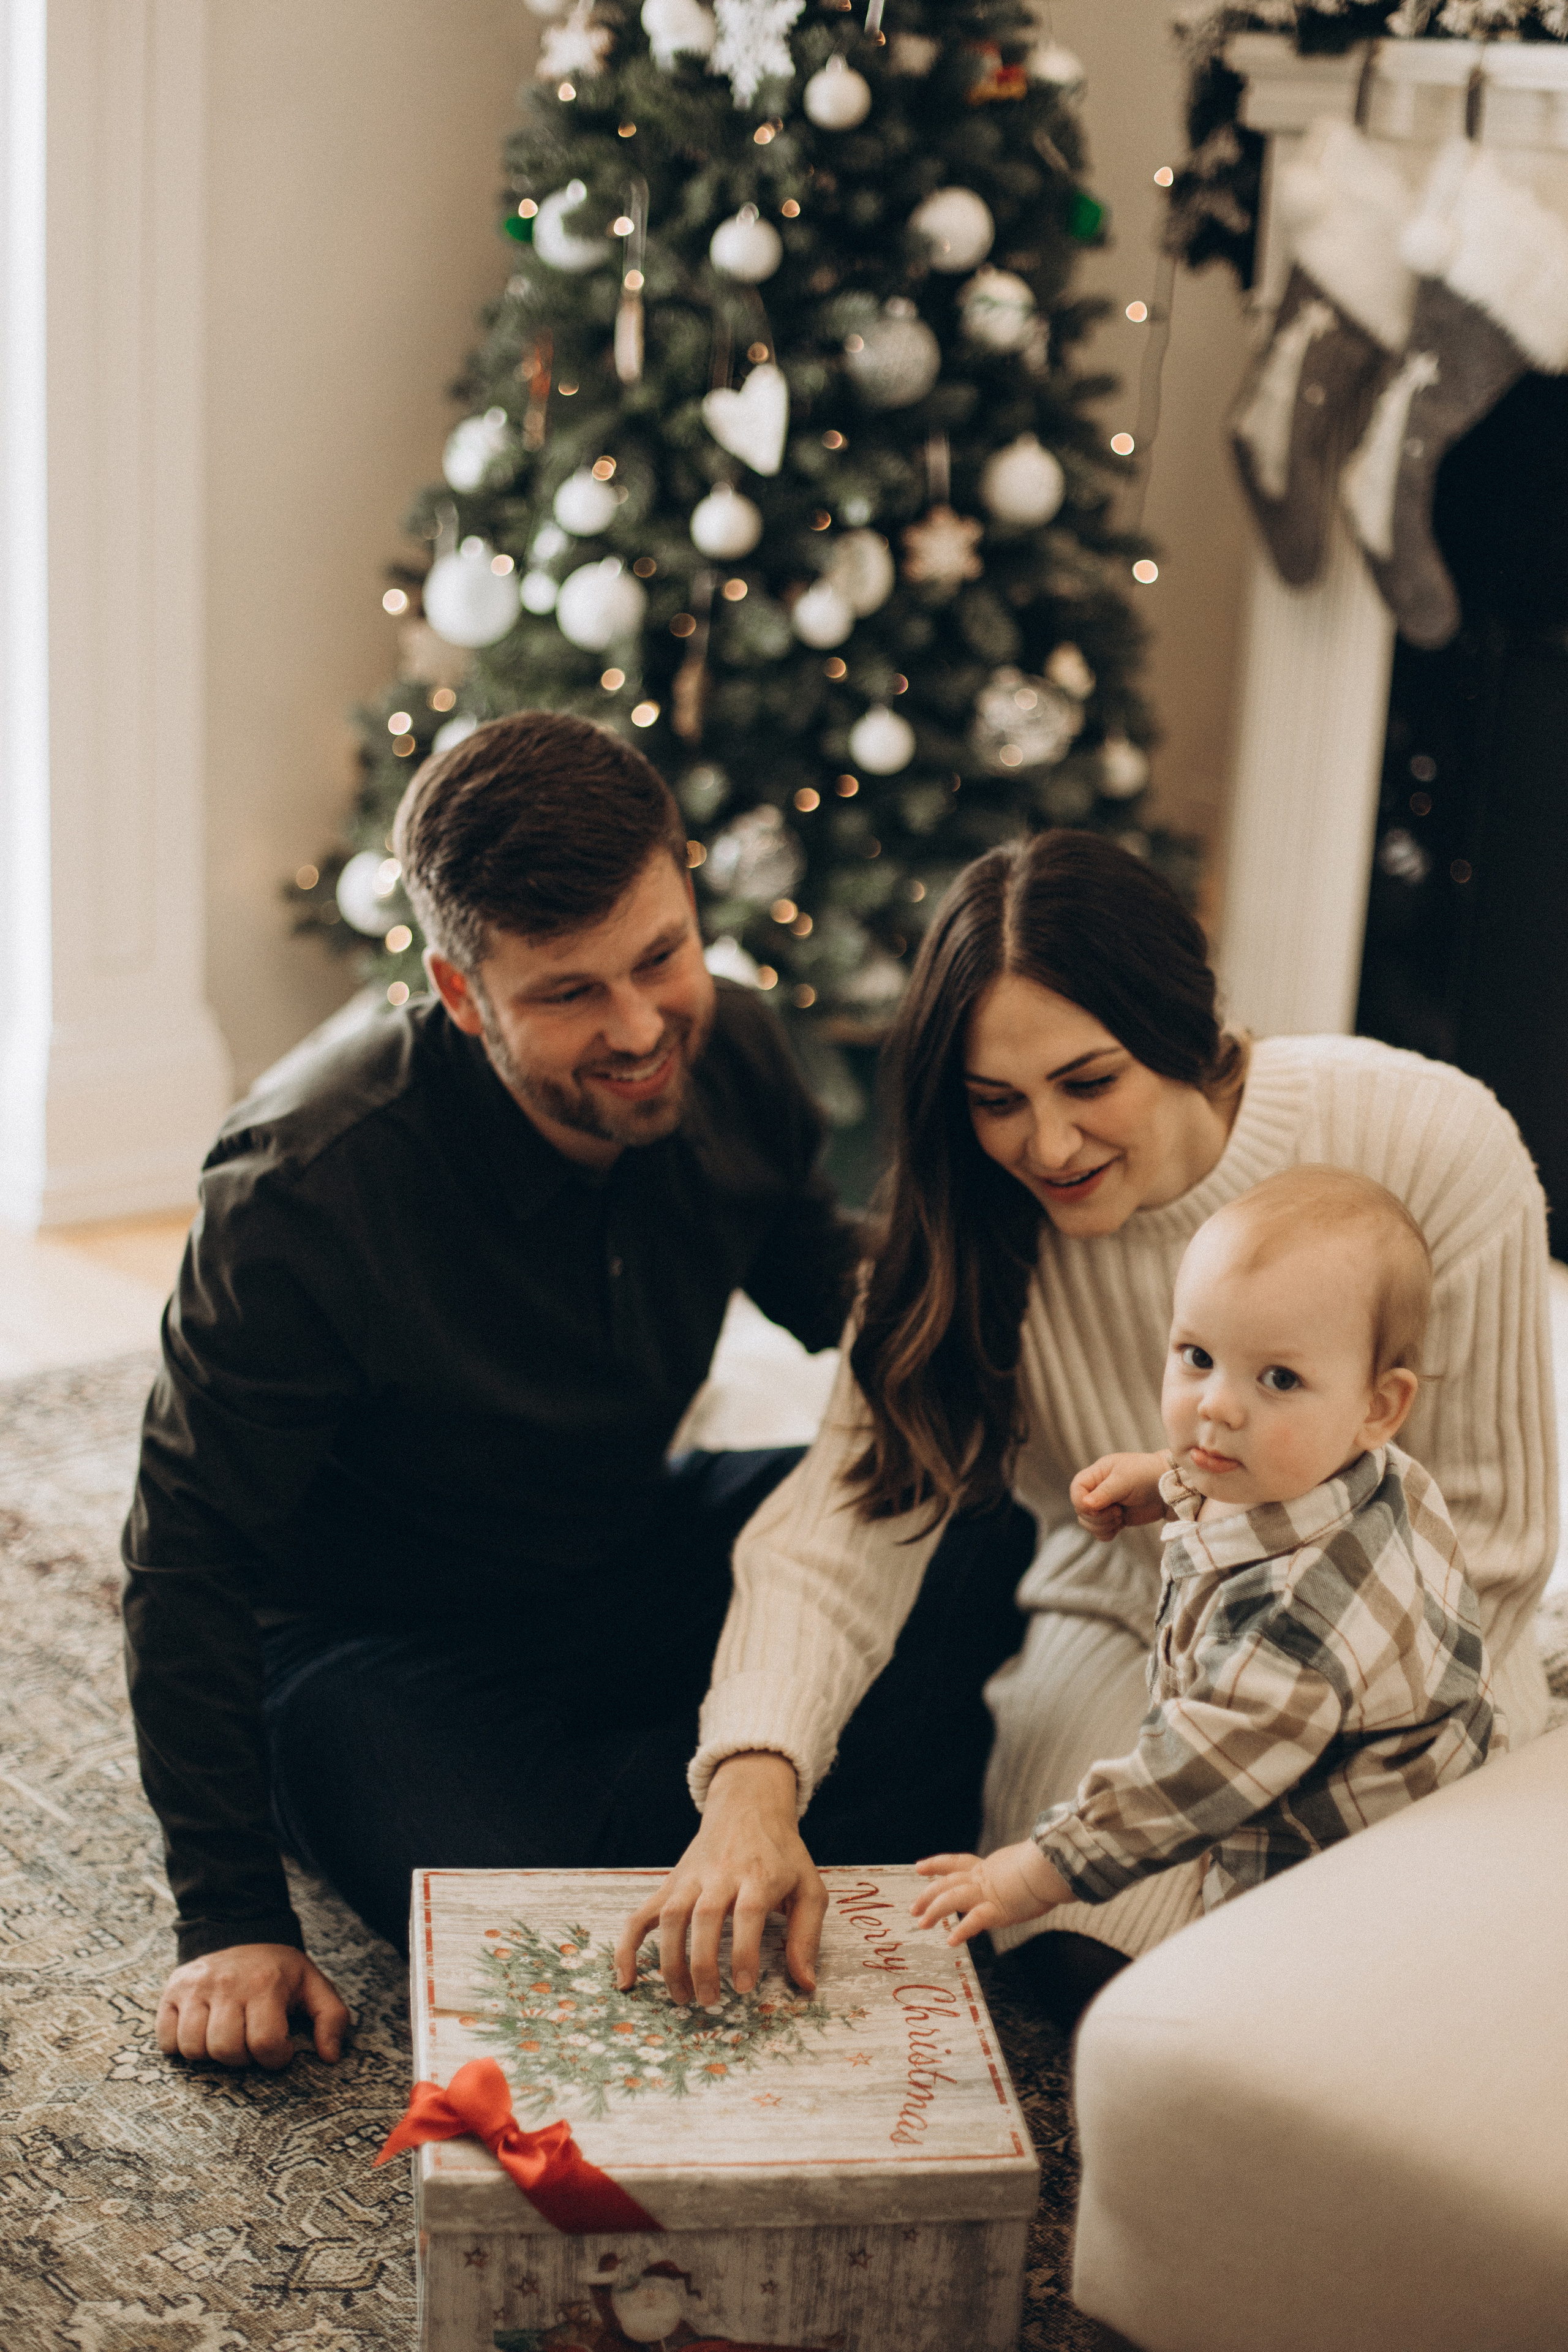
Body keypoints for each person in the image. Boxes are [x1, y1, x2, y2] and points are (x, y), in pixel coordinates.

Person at [125, 712, 1031, 2071]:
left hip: (629, 1542)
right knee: (539, 1921)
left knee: (990, 1526)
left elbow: (824, 1289)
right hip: (372, 1642)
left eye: (660, 956)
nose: (638, 1027)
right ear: (460, 990)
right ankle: (756, 1804)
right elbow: (183, 1555)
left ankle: (724, 1800)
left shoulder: (733, 1050)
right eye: (567, 995)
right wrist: (230, 1918)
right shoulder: (302, 1188)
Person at [619, 830, 1555, 2025]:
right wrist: (752, 1786)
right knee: (1123, 1988)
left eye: (1090, 1082)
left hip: (1408, 1660)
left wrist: (1298, 1747)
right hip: (1128, 1622)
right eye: (996, 1102)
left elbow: (1490, 1541)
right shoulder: (969, 1227)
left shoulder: (1426, 1139)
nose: (1048, 1147)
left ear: (1180, 1031)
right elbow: (841, 1523)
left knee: (1369, 1995)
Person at [912, 1166, 1498, 1949]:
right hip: (1428, 1766)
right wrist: (1169, 1478)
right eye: (1196, 1355)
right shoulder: (1374, 1470)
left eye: (1278, 1378)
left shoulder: (1292, 1630)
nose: (1216, 1404)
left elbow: (1182, 1783)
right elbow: (1270, 1476)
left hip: (1342, 1891)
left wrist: (1029, 1874)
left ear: (1378, 1406)